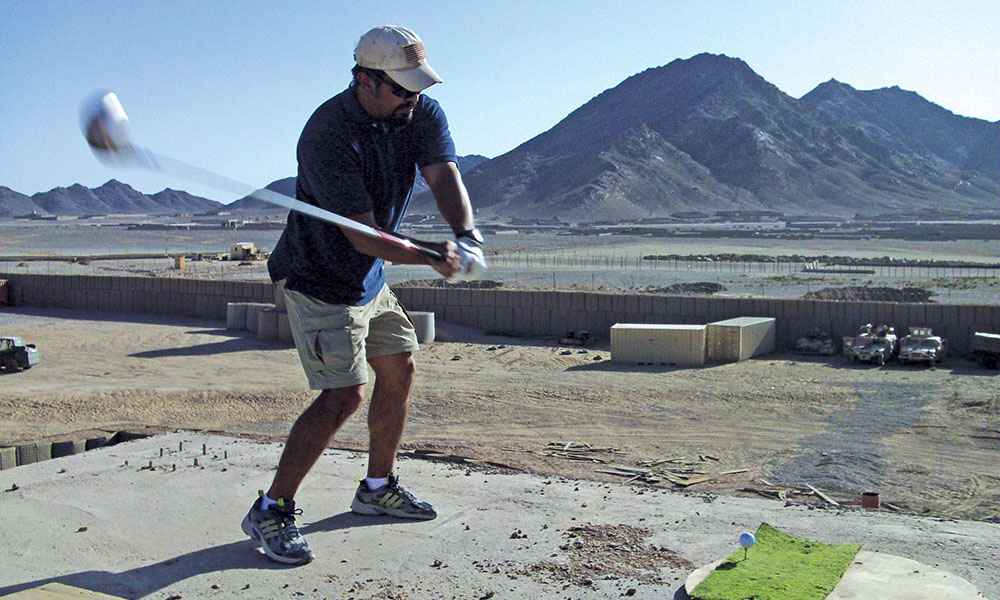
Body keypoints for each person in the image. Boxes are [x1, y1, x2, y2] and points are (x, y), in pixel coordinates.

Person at [241, 25, 486, 565]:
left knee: (399, 365)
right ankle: (271, 509)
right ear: (365, 81)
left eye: (416, 87)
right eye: (400, 88)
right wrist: (432, 255)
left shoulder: (420, 112)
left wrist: (464, 233)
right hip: (320, 279)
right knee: (342, 396)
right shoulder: (327, 134)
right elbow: (362, 235)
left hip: (368, 277)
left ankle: (376, 490)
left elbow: (443, 174)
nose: (412, 99)